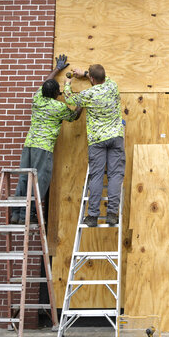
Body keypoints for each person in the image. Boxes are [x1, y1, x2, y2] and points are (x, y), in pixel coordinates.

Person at [9, 54, 81, 224]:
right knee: (39, 180)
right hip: (43, 148)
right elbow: (74, 116)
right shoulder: (58, 107)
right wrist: (82, 102)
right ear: (56, 93)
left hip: (29, 145)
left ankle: (16, 214)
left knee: (24, 178)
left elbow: (45, 83)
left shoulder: (37, 98)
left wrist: (57, 69)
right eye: (58, 91)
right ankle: (29, 214)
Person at [64, 63, 125, 227]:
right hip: (115, 137)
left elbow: (69, 98)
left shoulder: (88, 94)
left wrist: (67, 83)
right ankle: (112, 214)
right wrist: (85, 73)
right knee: (115, 175)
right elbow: (102, 77)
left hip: (97, 141)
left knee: (96, 176)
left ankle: (92, 216)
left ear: (91, 79)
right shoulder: (112, 86)